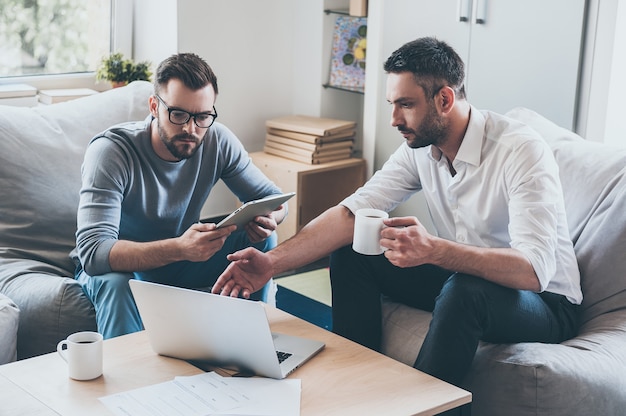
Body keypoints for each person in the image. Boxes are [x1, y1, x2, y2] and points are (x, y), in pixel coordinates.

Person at [211, 37, 582, 387]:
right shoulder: (420, 149)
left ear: (444, 100)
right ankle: (357, 380)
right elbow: (351, 213)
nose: (393, 119)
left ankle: (418, 404)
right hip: (463, 276)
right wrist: (271, 263)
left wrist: (435, 249)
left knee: (466, 291)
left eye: (405, 104)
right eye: (392, 104)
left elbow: (534, 270)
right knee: (353, 247)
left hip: (545, 303)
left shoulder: (520, 151)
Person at [72, 53, 287, 339]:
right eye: (178, 114)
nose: (190, 128)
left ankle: (254, 344)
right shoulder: (111, 152)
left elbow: (275, 200)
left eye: (202, 117)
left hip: (180, 262)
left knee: (258, 242)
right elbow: (94, 252)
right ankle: (130, 382)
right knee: (116, 284)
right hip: (124, 268)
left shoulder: (217, 140)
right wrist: (179, 248)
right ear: (153, 107)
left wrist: (270, 218)